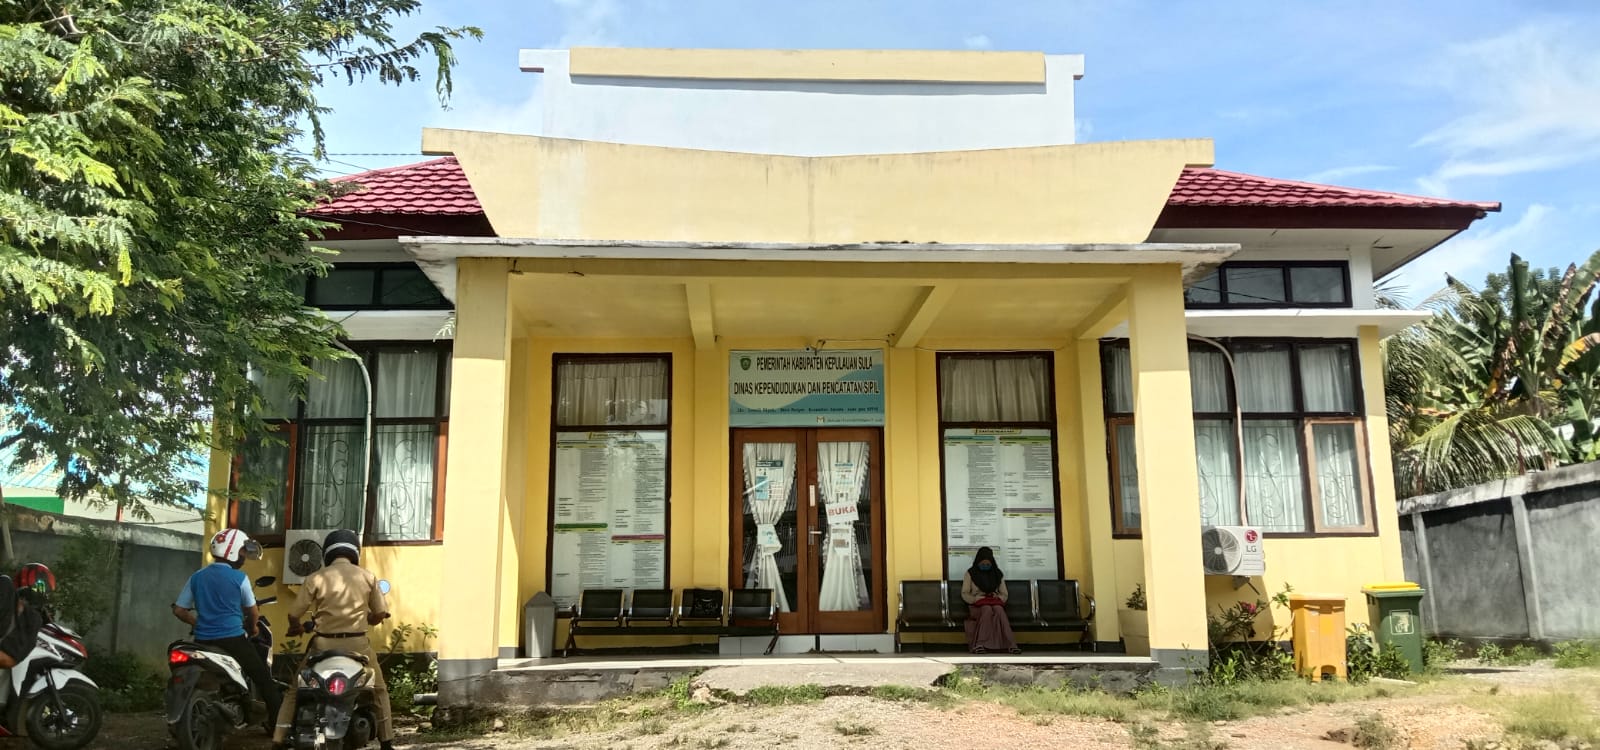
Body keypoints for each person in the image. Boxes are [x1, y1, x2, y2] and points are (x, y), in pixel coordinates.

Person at [271, 529, 393, 750]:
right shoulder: (367, 576)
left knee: (295, 690)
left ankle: (278, 739)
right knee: (379, 690)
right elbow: (380, 613)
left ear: (327, 552)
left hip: (322, 645)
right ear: (355, 551)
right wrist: (370, 619)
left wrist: (295, 627)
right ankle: (387, 742)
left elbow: (294, 613)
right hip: (358, 646)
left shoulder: (316, 577)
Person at [172, 528, 281, 732]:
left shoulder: (197, 576)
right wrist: (253, 628)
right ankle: (279, 729)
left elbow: (179, 610)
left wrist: (196, 624)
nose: (244, 556)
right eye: (242, 551)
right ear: (232, 551)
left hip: (201, 641)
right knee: (264, 679)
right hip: (233, 640)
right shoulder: (239, 578)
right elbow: (253, 611)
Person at [961, 547, 1020, 654]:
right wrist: (975, 599)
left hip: (994, 603)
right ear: (978, 561)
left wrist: (997, 597)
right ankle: (980, 644)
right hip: (976, 605)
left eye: (988, 563)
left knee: (999, 610)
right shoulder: (970, 573)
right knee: (987, 609)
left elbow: (1004, 594)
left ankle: (1011, 644)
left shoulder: (997, 574)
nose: (985, 565)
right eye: (983, 563)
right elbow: (965, 593)